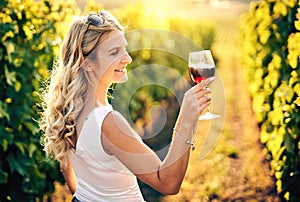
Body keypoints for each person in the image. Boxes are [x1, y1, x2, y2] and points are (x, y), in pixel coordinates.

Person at [40, 10, 214, 202]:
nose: (128, 58)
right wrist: (186, 120)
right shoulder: (108, 123)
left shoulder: (69, 110)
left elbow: (73, 181)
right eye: (114, 52)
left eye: (124, 48)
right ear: (87, 63)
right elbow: (167, 183)